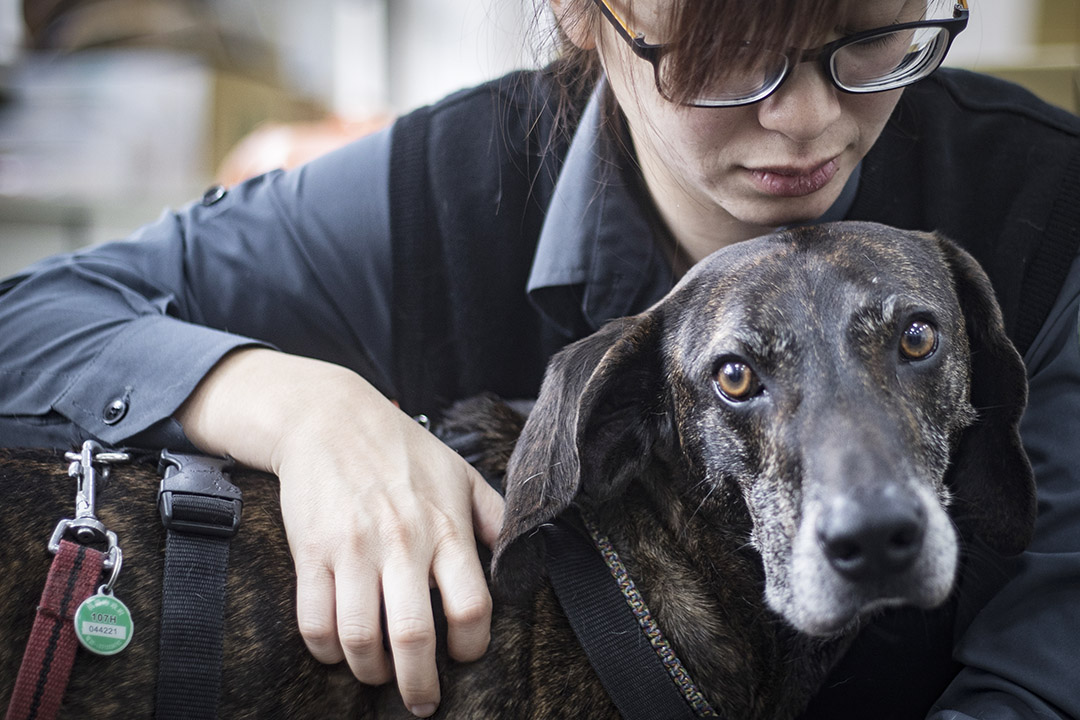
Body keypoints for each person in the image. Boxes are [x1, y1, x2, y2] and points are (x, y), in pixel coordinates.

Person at [1, 0, 1078, 717]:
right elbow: (31, 315)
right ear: (588, 16)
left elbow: (1054, 661)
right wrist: (294, 406)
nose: (806, 117)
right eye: (726, 53)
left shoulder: (1048, 213)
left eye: (867, 31)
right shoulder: (428, 195)